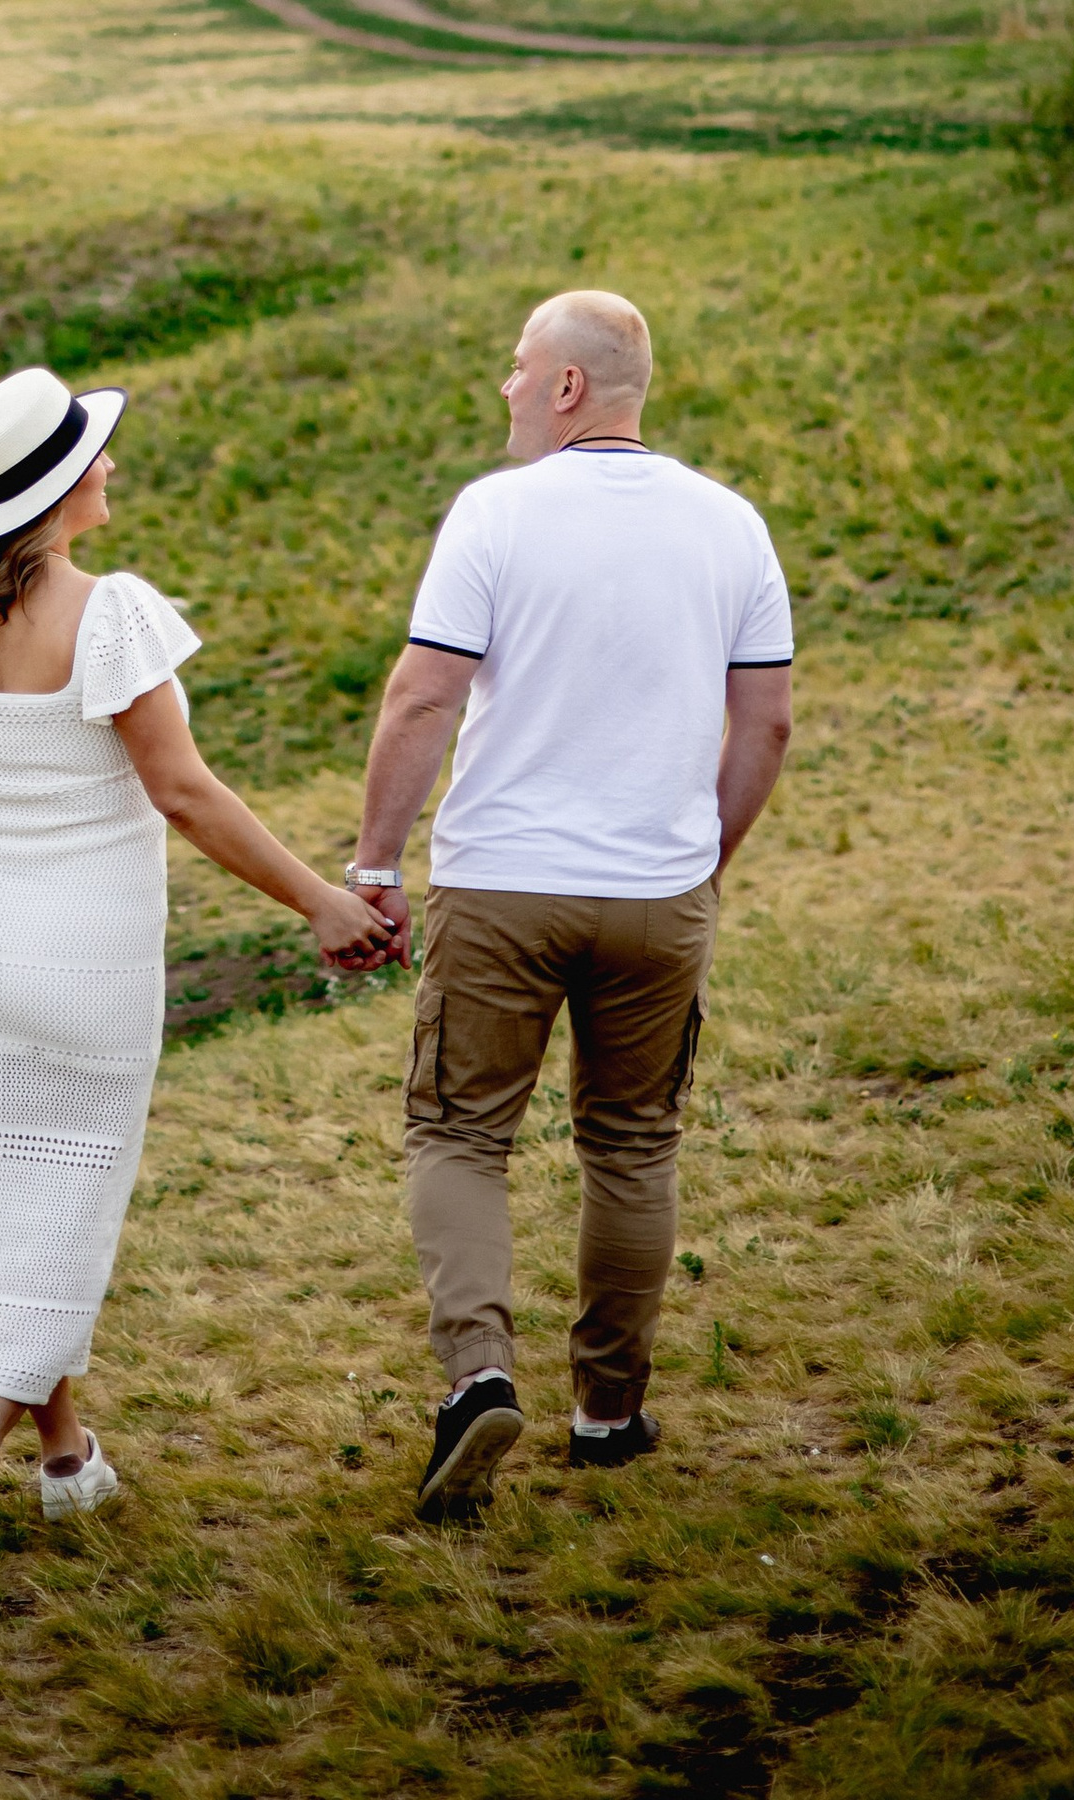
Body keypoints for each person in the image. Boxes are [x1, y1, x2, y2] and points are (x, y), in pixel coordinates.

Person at [0, 363, 390, 1560]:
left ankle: (67, 1456)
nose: (114, 463)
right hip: (84, 952)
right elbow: (182, 792)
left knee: (14, 1190)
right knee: (68, 1201)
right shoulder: (109, 611)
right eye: (99, 451)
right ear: (60, 487)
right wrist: (316, 900)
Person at [344, 288, 793, 1519]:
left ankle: (479, 1376)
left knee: (458, 1133)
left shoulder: (495, 514)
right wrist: (701, 858)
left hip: (500, 887)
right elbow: (767, 721)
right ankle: (607, 1412)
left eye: (515, 365)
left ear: (565, 388)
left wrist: (376, 867)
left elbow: (421, 700)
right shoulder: (730, 523)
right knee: (633, 1143)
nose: (502, 385)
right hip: (657, 893)